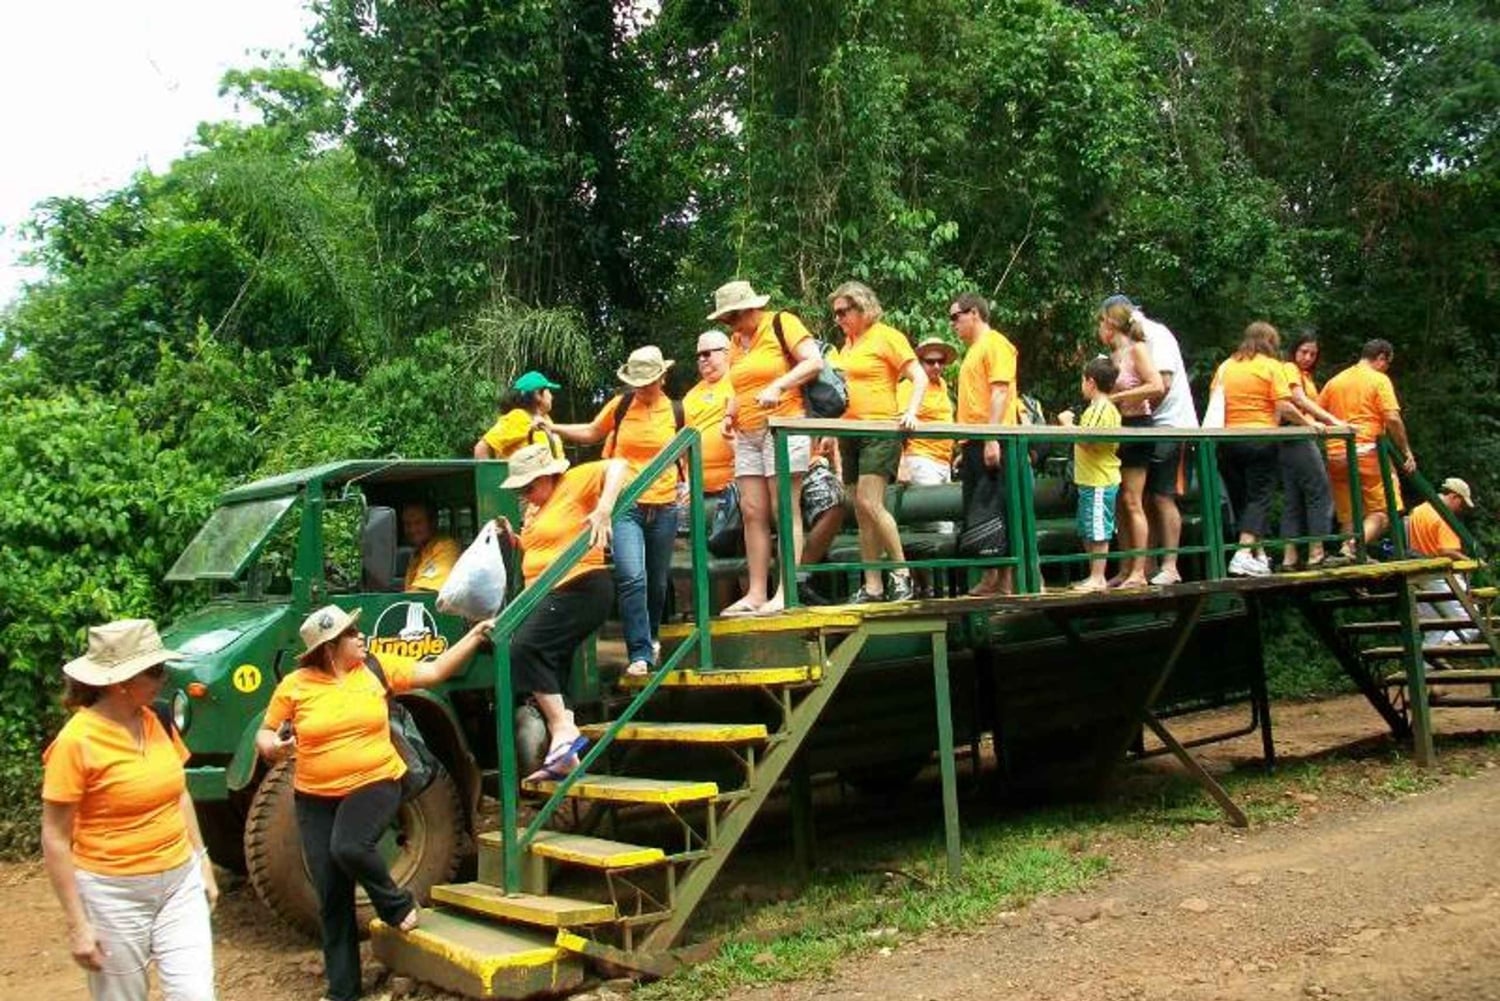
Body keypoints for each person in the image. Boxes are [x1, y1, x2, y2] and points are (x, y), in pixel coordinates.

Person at [257, 604, 492, 1001]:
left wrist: (473, 637)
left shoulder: (375, 669)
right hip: (314, 797)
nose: (360, 637)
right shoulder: (296, 686)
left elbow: (434, 673)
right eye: (351, 633)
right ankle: (343, 991)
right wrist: (274, 748)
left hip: (378, 780)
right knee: (331, 894)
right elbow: (265, 733)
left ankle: (397, 905)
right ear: (329, 648)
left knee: (348, 846)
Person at [42, 620, 218, 1001]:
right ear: (121, 681)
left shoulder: (158, 720)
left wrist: (201, 859)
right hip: (112, 892)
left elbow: (179, 794)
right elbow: (55, 836)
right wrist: (78, 924)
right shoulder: (76, 741)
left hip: (178, 883)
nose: (164, 677)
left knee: (196, 995)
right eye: (156, 671)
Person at [550, 346, 682, 676]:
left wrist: (690, 486)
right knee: (631, 576)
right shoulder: (622, 405)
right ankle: (639, 652)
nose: (642, 388)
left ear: (663, 378)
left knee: (657, 583)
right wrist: (554, 428)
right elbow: (593, 432)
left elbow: (691, 449)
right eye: (637, 382)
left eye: (649, 381)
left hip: (665, 506)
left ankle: (651, 637)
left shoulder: (678, 411)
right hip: (626, 505)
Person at [493, 445, 628, 763]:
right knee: (550, 665)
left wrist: (605, 508)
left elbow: (619, 465)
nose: (526, 494)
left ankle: (563, 728)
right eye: (521, 489)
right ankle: (565, 754)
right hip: (547, 594)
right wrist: (516, 539)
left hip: (579, 585)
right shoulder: (535, 509)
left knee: (522, 648)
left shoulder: (573, 481)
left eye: (530, 486)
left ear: (549, 475)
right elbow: (544, 546)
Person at [711, 280, 824, 616]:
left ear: (748, 308)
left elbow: (813, 362)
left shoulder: (781, 323)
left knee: (783, 508)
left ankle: (786, 590)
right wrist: (729, 412)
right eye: (725, 320)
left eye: (731, 317)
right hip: (747, 433)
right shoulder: (734, 343)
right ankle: (757, 592)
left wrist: (778, 385)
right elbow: (738, 384)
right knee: (751, 511)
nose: (728, 325)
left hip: (783, 425)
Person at [829, 281, 925, 602]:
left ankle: (901, 574)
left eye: (843, 311)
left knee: (871, 502)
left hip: (879, 429)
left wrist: (910, 411)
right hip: (850, 433)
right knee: (860, 509)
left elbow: (919, 376)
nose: (839, 318)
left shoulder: (887, 336)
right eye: (836, 313)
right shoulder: (847, 346)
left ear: (862, 307)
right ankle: (872, 584)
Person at [1100, 295, 1198, 585]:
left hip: (1169, 424)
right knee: (1134, 498)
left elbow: (1161, 385)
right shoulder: (1117, 351)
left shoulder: (1153, 337)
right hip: (1140, 426)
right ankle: (1139, 566)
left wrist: (1122, 403)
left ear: (1112, 320)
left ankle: (1169, 565)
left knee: (1160, 495)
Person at [1211, 322, 1314, 577]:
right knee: (1260, 497)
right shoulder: (1272, 366)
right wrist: (1310, 423)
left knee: (1243, 498)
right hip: (1260, 438)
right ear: (1270, 342)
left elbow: (1215, 399)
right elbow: (1285, 405)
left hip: (1228, 440)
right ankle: (1243, 553)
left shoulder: (1226, 366)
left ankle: (1256, 555)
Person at [950, 292, 1021, 597]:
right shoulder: (974, 350)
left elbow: (1000, 391)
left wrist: (992, 436)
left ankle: (1004, 581)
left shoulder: (995, 344)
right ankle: (992, 576)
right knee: (981, 509)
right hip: (974, 440)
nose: (952, 324)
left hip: (992, 438)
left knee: (997, 506)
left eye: (956, 316)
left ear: (975, 313)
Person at [1318, 339, 1417, 556]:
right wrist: (1406, 451)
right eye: (1387, 363)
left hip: (1335, 455)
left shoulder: (1335, 382)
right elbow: (1392, 418)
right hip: (1368, 452)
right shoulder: (1379, 380)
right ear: (1381, 357)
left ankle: (1347, 552)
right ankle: (1352, 546)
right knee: (1384, 512)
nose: (1386, 368)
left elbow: (1316, 414)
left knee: (1349, 514)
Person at [1098, 300, 1163, 588]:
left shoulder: (1137, 349)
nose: (1099, 329)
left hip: (1138, 426)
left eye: (1101, 323)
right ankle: (1125, 568)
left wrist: (1117, 398)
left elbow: (1157, 385)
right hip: (1118, 428)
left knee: (1132, 500)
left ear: (1110, 323)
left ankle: (1140, 569)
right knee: (1120, 501)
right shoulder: (1112, 357)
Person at [1278, 332, 1342, 570]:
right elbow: (1299, 400)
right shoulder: (1289, 369)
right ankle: (1316, 550)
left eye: (1313, 354)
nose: (1308, 357)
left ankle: (1290, 556)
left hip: (1294, 438)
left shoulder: (1305, 375)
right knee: (1320, 491)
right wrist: (1333, 422)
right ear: (1294, 350)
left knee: (1294, 497)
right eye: (1304, 352)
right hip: (1297, 435)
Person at [1058, 356, 1122, 592]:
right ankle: (1094, 575)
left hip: (1099, 480)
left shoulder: (1102, 408)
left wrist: (1067, 424)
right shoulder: (1099, 409)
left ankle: (1098, 577)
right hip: (1089, 480)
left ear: (1091, 382)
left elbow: (1088, 439)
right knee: (1088, 528)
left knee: (1097, 530)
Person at [1407, 478, 1478, 655]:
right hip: (1438, 576)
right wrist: (1470, 561)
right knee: (1473, 623)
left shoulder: (1419, 510)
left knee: (1435, 627)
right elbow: (1447, 550)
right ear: (1454, 496)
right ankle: (1440, 651)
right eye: (1461, 504)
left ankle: (1423, 670)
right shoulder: (1443, 515)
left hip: (1416, 575)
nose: (1461, 510)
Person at [897, 336, 958, 535]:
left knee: (945, 523)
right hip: (921, 458)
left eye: (940, 361)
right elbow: (895, 426)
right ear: (920, 362)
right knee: (936, 527)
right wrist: (901, 464)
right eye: (930, 361)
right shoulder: (908, 386)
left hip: (943, 461)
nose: (936, 366)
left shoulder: (942, 386)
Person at [682, 330, 737, 503]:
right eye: (698, 355)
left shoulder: (740, 382)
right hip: (696, 489)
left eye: (707, 353)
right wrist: (685, 482)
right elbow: (684, 443)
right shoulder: (691, 395)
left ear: (726, 353)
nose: (701, 359)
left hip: (735, 485)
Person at [474, 371, 565, 460]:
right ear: (538, 394)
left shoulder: (545, 418)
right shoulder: (518, 418)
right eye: (548, 391)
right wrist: (492, 474)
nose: (551, 396)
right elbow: (481, 448)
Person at [401, 502, 461, 592]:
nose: (412, 530)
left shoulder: (447, 548)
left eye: (418, 523)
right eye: (408, 524)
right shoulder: (417, 554)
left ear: (433, 523)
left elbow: (425, 592)